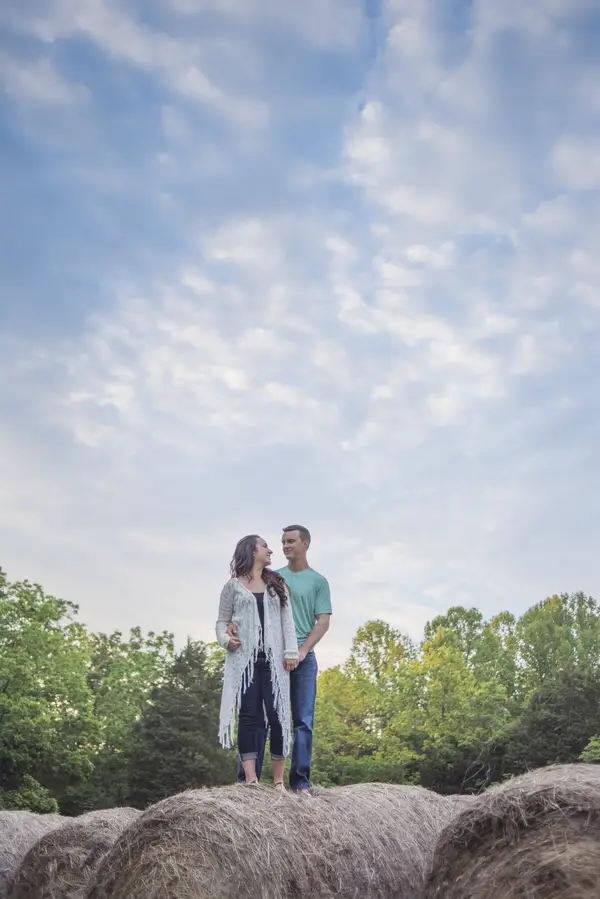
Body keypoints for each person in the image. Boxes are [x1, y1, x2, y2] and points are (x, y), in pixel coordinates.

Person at [229, 525, 331, 793]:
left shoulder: (318, 582)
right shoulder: (272, 576)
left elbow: (322, 621)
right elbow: (245, 602)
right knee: (258, 716)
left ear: (305, 544)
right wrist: (231, 626)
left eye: (290, 541)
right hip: (270, 659)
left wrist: (303, 650)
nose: (284, 546)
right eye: (282, 541)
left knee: (302, 721)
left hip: (303, 658)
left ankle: (300, 783)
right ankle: (249, 782)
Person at [216, 534, 299, 788]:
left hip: (274, 664)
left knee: (278, 717)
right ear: (252, 551)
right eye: (265, 546)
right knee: (249, 718)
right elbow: (221, 621)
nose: (270, 550)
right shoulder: (233, 586)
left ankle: (277, 782)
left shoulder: (277, 584)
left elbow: (288, 621)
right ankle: (251, 780)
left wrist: (291, 652)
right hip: (245, 662)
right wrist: (225, 639)